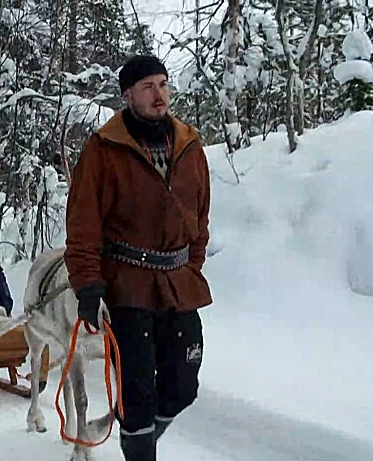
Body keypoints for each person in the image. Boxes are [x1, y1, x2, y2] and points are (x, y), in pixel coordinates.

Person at [63, 55, 212, 461]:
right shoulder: (104, 148)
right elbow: (83, 222)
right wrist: (87, 285)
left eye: (163, 84)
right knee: (138, 393)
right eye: (148, 87)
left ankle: (136, 436)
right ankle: (140, 445)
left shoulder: (189, 145)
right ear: (127, 95)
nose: (159, 94)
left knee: (183, 385)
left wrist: (191, 266)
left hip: (178, 283)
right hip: (126, 285)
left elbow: (200, 217)